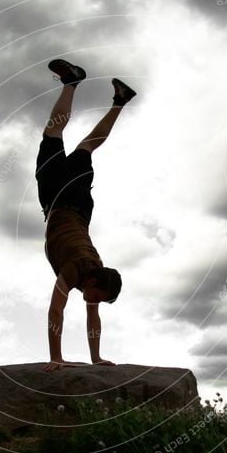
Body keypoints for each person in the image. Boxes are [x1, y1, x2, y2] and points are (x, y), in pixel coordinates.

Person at [35, 58, 137, 371]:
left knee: (86, 147)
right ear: (92, 280)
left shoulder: (95, 272)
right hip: (59, 199)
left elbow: (93, 322)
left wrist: (97, 359)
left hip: (79, 206)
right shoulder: (75, 270)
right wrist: (56, 358)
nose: (94, 301)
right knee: (53, 133)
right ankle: (72, 82)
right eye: (97, 295)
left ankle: (120, 101)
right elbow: (56, 311)